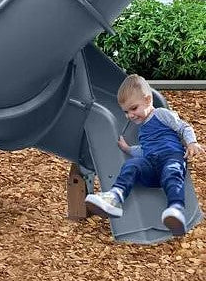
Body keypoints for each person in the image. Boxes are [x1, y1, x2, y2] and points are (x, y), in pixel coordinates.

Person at [84, 73, 203, 236]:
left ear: (148, 100)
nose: (130, 115)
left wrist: (191, 143)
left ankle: (177, 210)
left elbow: (183, 127)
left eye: (133, 108)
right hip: (151, 168)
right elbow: (144, 150)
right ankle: (114, 198)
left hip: (171, 158)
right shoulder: (142, 129)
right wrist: (127, 149)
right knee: (131, 165)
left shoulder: (161, 114)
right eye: (126, 112)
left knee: (172, 173)